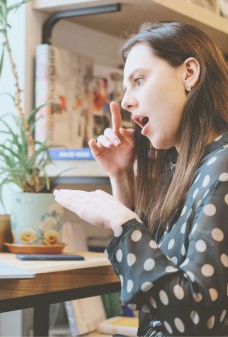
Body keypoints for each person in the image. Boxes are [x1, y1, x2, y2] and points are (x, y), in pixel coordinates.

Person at [54, 21, 228, 336]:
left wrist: (120, 221)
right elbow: (153, 280)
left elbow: (198, 318)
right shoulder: (187, 166)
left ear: (189, 73)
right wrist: (121, 177)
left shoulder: (222, 166)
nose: (126, 101)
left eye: (139, 80)